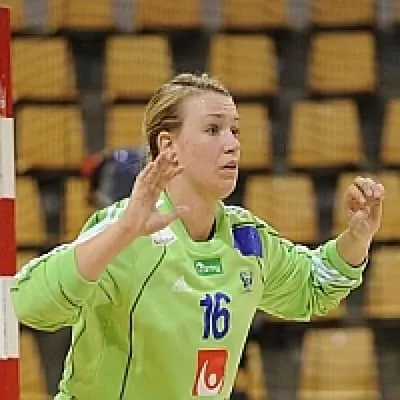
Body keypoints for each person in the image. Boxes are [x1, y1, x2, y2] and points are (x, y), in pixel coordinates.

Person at [11, 73, 385, 400]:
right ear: (167, 145)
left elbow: (313, 287)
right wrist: (123, 231)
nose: (232, 143)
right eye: (213, 129)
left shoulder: (246, 238)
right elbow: (28, 303)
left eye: (235, 130)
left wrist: (357, 237)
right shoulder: (125, 230)